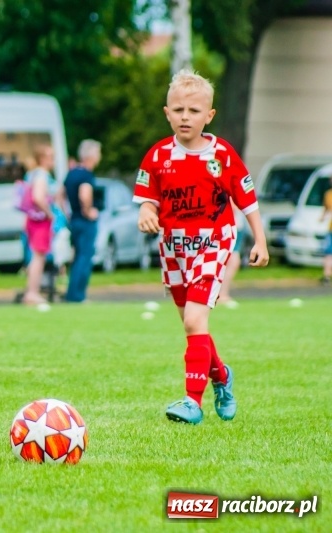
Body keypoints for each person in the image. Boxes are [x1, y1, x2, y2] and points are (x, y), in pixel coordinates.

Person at [134, 69, 268, 425]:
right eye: (178, 110)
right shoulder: (158, 156)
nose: (185, 117)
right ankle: (222, 377)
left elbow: (247, 199)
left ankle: (193, 402)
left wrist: (260, 239)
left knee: (195, 320)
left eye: (193, 111)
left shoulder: (221, 154)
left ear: (209, 116)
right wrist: (146, 214)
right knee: (194, 328)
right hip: (174, 249)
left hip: (214, 241)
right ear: (167, 113)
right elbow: (147, 200)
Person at [61, 139, 102, 303]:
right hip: (85, 221)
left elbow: (60, 196)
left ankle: (72, 293)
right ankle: (77, 295)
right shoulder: (86, 174)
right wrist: (88, 211)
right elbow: (84, 195)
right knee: (84, 257)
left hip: (74, 220)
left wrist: (68, 215)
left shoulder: (71, 173)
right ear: (92, 155)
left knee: (77, 257)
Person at [20, 144, 57, 305]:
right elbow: (37, 197)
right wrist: (50, 214)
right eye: (51, 157)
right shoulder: (42, 175)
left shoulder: (32, 174)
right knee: (38, 257)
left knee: (35, 256)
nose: (53, 161)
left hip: (31, 219)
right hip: (40, 220)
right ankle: (32, 293)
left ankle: (31, 290)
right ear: (43, 158)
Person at [320, 176, 332, 286]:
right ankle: (327, 276)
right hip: (331, 229)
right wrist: (322, 217)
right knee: (328, 253)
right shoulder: (328, 194)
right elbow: (326, 209)